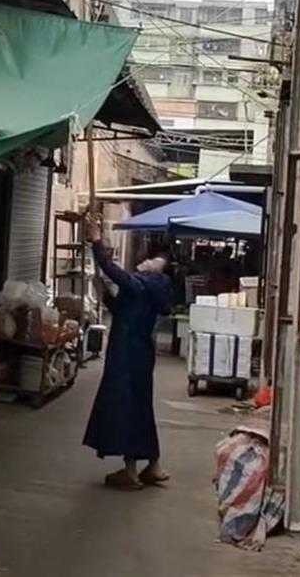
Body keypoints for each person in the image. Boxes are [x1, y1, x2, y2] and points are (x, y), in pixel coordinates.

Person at [82, 210, 173, 490]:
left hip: (127, 354)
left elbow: (114, 271)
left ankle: (131, 471)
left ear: (162, 270)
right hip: (138, 352)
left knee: (124, 407)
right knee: (140, 407)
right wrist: (104, 294)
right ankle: (152, 465)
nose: (145, 261)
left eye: (154, 260)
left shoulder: (149, 283)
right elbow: (121, 308)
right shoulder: (145, 289)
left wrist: (97, 241)